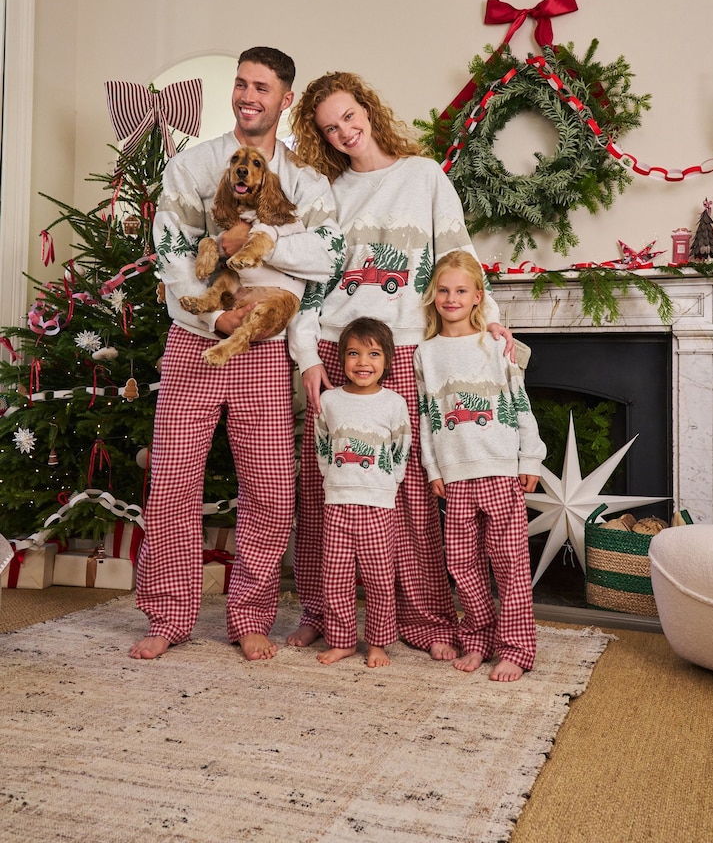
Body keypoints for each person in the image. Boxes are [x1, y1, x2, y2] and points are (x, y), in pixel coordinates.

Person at [286, 71, 515, 659]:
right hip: (339, 346)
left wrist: (487, 314)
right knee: (324, 487)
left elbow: (455, 252)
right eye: (330, 128)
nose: (344, 132)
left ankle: (424, 617)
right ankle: (321, 606)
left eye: (349, 116)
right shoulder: (324, 191)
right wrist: (308, 356)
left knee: (409, 491)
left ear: (368, 107)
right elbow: (307, 281)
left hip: (407, 347)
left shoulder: (424, 176)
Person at [129, 47, 343, 662]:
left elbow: (327, 253)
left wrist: (259, 241)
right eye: (242, 84)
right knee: (171, 480)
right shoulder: (193, 164)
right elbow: (170, 245)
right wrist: (216, 311)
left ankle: (249, 613)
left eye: (262, 87)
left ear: (285, 99)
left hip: (266, 350)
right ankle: (169, 614)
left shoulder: (306, 181)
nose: (249, 96)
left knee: (272, 490)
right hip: (196, 342)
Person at [414, 251, 545, 681]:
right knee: (462, 564)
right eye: (444, 291)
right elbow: (426, 415)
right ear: (434, 296)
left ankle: (516, 647)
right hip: (455, 476)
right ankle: (478, 638)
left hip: (500, 470)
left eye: (461, 291)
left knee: (508, 563)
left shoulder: (496, 345)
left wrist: (531, 457)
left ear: (477, 298)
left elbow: (520, 402)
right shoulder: (426, 354)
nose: (451, 298)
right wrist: (433, 469)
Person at [314, 317, 410, 668]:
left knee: (379, 578)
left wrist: (391, 481)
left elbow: (402, 445)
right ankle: (341, 640)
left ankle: (378, 643)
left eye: (373, 354)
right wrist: (331, 477)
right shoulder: (330, 400)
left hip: (378, 503)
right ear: (342, 359)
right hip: (337, 501)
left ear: (387, 360)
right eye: (354, 354)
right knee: (335, 576)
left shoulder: (393, 403)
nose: (363, 363)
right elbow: (322, 443)